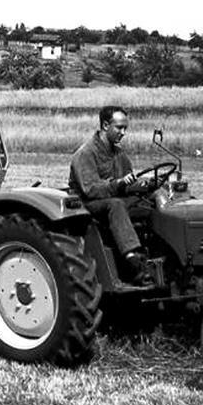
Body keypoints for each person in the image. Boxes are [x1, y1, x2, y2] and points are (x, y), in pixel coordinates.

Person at [69, 105, 152, 285]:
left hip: (114, 199)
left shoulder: (118, 153)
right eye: (119, 128)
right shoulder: (85, 153)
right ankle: (133, 259)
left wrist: (143, 184)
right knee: (116, 204)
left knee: (151, 201)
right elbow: (90, 189)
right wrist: (119, 183)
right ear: (106, 125)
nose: (123, 133)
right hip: (88, 205)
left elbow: (127, 181)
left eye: (125, 128)